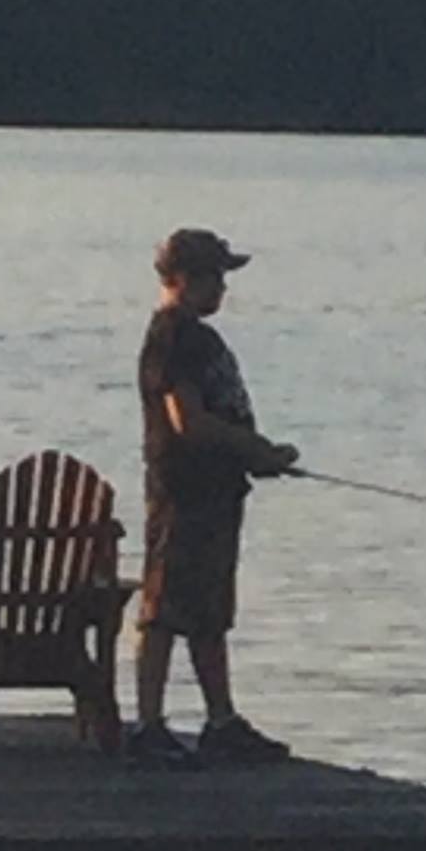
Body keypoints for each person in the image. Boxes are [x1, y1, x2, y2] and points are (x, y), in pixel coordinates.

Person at [128, 227, 299, 765]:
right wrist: (253, 447)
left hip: (217, 492)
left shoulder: (200, 337)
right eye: (212, 278)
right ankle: (149, 725)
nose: (222, 288)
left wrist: (252, 460)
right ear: (180, 280)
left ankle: (220, 719)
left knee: (209, 612)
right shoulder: (173, 337)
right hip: (183, 492)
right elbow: (189, 422)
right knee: (163, 609)